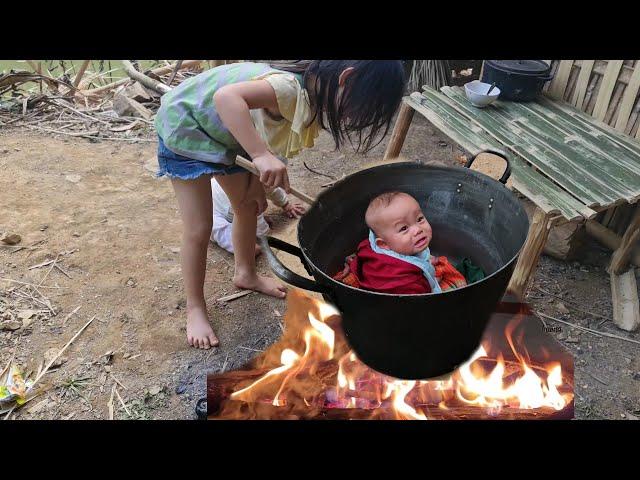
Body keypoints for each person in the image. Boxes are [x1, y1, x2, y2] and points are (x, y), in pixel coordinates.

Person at [154, 60, 406, 348]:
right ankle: (195, 308)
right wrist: (260, 155)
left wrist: (263, 181)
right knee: (199, 227)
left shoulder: (310, 95)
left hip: (226, 136)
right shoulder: (287, 88)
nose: (351, 118)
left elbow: (258, 124)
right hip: (187, 128)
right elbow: (226, 98)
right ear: (346, 79)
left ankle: (245, 274)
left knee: (249, 205)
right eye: (357, 108)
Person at [333, 191, 467, 294]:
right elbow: (421, 301)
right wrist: (430, 283)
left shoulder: (374, 244)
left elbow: (362, 249)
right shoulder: (403, 280)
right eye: (404, 228)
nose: (418, 230)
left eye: (419, 219)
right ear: (383, 245)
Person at [210, 179, 305, 255]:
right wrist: (265, 231)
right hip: (211, 210)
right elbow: (262, 232)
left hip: (230, 205)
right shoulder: (248, 193)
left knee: (248, 213)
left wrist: (286, 205)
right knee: (245, 247)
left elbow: (273, 191)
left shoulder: (263, 180)